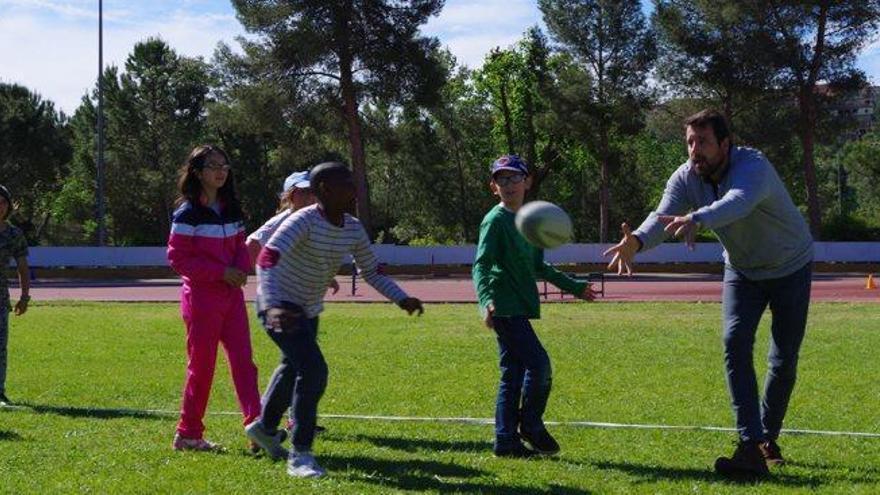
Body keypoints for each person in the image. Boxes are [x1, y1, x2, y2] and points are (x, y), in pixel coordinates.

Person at [603, 109, 814, 477]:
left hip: (791, 266)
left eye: (702, 142)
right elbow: (663, 215)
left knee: (783, 359)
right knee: (734, 341)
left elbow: (739, 201)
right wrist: (636, 241)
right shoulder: (686, 177)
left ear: (725, 144)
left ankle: (768, 439)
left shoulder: (754, 166)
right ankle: (750, 445)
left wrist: (698, 218)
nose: (694, 150)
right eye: (689, 142)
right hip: (743, 270)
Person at [246, 161, 424, 478]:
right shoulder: (303, 220)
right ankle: (300, 456)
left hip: (308, 309)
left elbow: (370, 270)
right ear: (325, 190)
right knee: (313, 370)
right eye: (347, 184)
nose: (355, 190)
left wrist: (400, 297)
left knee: (292, 369)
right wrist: (272, 305)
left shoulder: (353, 227)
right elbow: (266, 258)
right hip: (279, 305)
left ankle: (264, 429)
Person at [472, 155, 597, 458]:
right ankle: (530, 425)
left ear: (527, 182)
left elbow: (540, 267)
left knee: (512, 374)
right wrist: (485, 301)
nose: (509, 184)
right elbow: (481, 264)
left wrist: (575, 287)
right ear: (494, 187)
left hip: (518, 306)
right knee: (539, 365)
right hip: (503, 307)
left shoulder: (533, 221)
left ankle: (505, 441)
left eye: (515, 177)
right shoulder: (495, 220)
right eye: (502, 179)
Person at [166, 145, 262, 452]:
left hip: (231, 297)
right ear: (196, 172)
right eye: (212, 165)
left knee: (244, 364)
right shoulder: (187, 212)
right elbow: (178, 258)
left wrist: (241, 268)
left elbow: (239, 247)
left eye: (224, 164)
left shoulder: (232, 208)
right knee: (202, 367)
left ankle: (258, 429)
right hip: (201, 299)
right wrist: (221, 272)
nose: (221, 170)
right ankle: (188, 434)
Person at [246, 170, 336, 438]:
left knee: (294, 363)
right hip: (281, 302)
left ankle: (269, 426)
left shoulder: (312, 221)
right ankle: (288, 423)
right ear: (291, 195)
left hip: (303, 302)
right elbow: (252, 244)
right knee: (305, 364)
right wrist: (267, 279)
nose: (312, 196)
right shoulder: (284, 220)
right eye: (305, 192)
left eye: (314, 191)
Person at [0, 185, 30, 406]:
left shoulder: (14, 234)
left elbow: (22, 267)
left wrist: (24, 296)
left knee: (1, 345)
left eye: (2, 202)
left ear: (8, 206)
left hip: (0, 297)